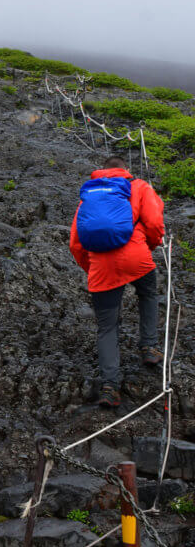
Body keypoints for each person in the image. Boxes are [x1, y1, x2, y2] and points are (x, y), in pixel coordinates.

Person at [69, 155, 165, 409]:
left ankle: (110, 388)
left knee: (107, 326)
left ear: (102, 171)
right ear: (126, 169)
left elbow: (75, 242)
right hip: (136, 255)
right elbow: (155, 223)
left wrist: (92, 267)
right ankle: (149, 348)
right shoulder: (140, 186)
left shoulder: (90, 195)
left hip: (101, 266)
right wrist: (149, 246)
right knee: (148, 293)